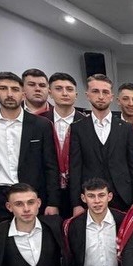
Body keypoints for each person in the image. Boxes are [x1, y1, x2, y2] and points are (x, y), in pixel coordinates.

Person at [0, 72, 61, 221]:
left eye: (15, 89)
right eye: (3, 88)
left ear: (23, 94)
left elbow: (51, 166)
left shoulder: (41, 125)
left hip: (32, 194)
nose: (9, 94)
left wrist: (53, 202)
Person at [69, 74, 133, 214]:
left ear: (112, 97)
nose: (101, 96)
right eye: (95, 91)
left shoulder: (126, 128)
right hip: (91, 197)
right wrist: (76, 203)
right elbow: (75, 167)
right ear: (88, 95)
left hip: (123, 197)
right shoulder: (78, 128)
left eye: (105, 92)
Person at [44, 71, 88, 213]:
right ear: (50, 93)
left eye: (69, 89)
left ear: (76, 94)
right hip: (47, 191)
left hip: (80, 191)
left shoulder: (87, 123)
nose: (64, 93)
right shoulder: (40, 122)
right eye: (59, 89)